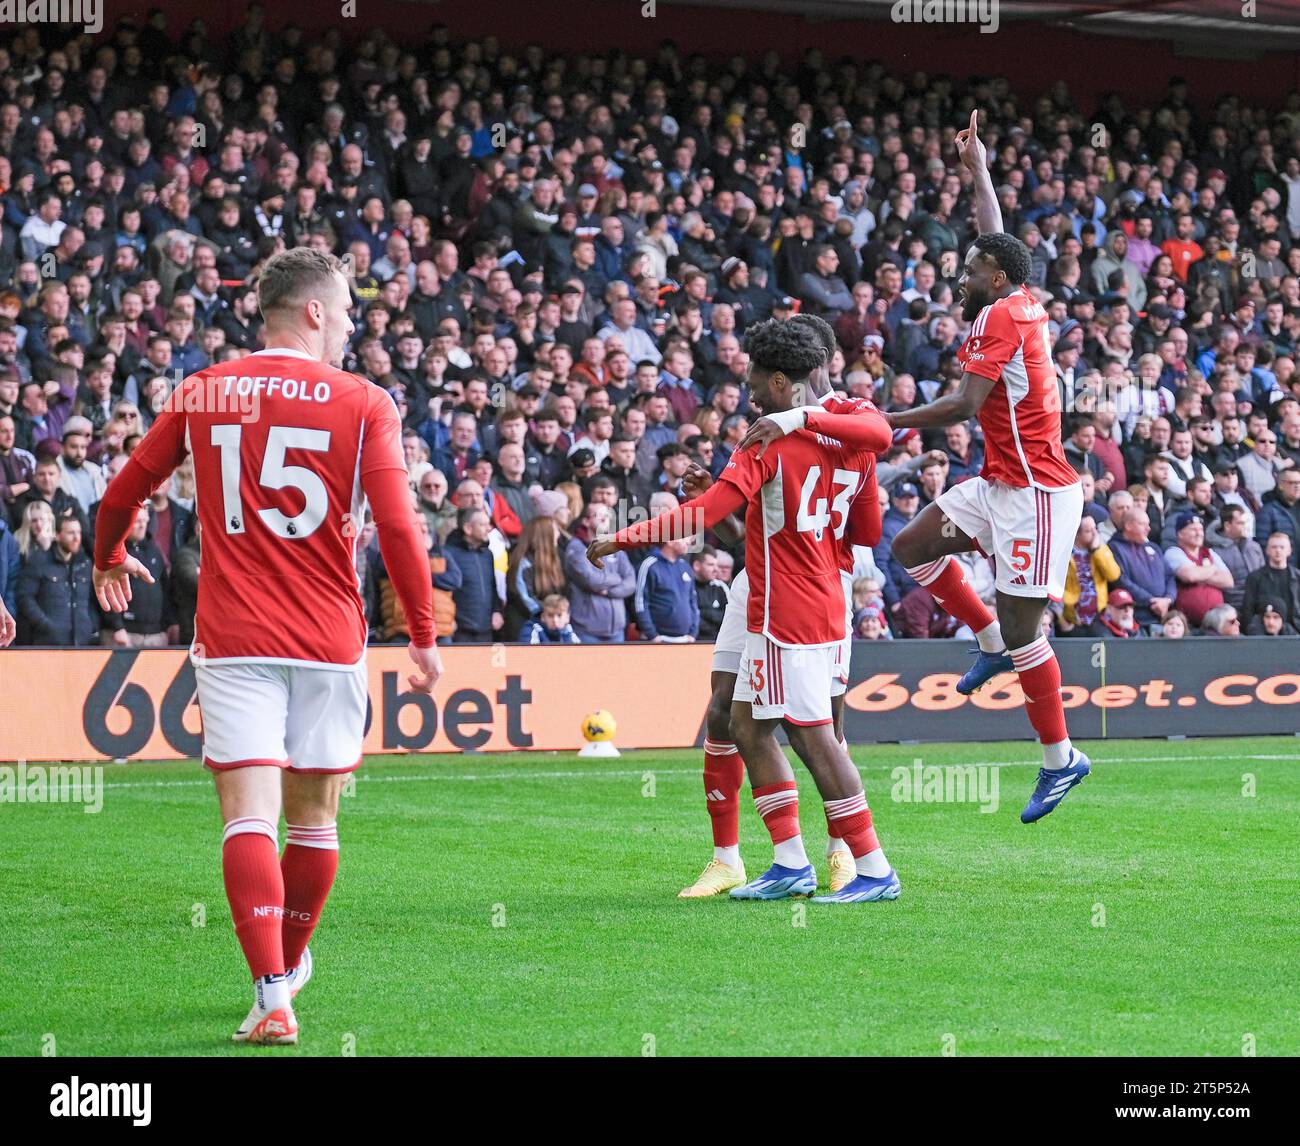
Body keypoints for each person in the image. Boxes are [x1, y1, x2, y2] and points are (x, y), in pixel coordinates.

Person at [90, 248, 440, 1046]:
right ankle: (283, 971)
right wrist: (421, 632)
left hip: (237, 635)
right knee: (315, 822)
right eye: (347, 311)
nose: (351, 325)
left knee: (248, 813)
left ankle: (273, 993)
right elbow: (396, 527)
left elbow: (122, 493)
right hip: (329, 639)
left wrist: (108, 554)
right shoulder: (365, 401)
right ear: (314, 311)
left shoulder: (203, 389)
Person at [761, 111, 1091, 824]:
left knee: (1028, 630)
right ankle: (987, 641)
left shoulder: (1000, 316)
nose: (961, 271)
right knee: (911, 547)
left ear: (994, 277)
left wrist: (885, 423)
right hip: (1005, 480)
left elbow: (965, 405)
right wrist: (978, 170)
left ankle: (1061, 760)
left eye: (971, 267)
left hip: (1037, 493)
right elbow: (996, 231)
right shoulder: (1020, 294)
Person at [589, 319, 897, 904]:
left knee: (814, 738)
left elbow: (702, 515)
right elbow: (868, 529)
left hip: (788, 609)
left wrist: (621, 539)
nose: (749, 390)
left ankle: (873, 866)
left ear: (781, 380)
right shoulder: (856, 434)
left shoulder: (766, 439)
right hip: (815, 595)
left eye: (755, 378)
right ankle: (789, 862)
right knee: (744, 724)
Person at [1164, 512, 1233, 628]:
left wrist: (1200, 574)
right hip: (1187, 625)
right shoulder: (1173, 552)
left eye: (1200, 530)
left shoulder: (1209, 553)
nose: (1198, 534)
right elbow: (1189, 575)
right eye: (1193, 530)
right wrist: (1213, 569)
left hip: (1216, 624)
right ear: (1180, 534)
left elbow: (1228, 581)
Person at [1240, 533, 1300, 632]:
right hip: (1262, 635)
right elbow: (1248, 611)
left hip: (1295, 634)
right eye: (1274, 547)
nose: (1278, 550)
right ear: (1267, 550)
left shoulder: (1298, 578)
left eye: (1282, 547)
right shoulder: (1255, 578)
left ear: (1289, 551)